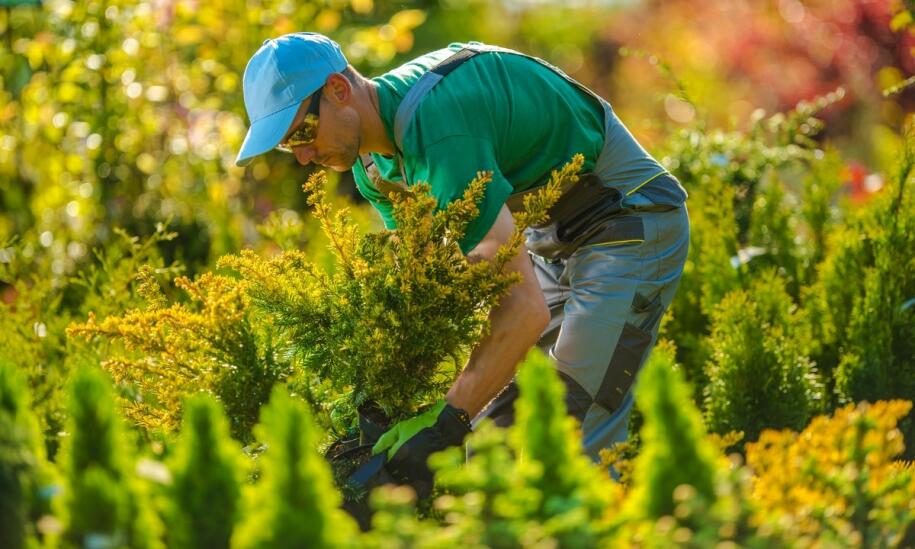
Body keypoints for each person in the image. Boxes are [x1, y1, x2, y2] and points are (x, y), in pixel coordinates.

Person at [236, 32, 689, 494]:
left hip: (629, 217)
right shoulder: (374, 168)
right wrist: (388, 396)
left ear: (338, 90)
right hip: (551, 241)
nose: (303, 157)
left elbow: (522, 309)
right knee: (494, 439)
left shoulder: (440, 129)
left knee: (571, 424)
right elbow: (431, 283)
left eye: (303, 132)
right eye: (287, 145)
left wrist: (447, 421)